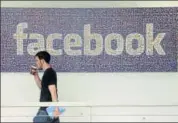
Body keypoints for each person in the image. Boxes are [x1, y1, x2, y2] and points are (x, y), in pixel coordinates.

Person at [31, 51, 60, 123]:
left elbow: (53, 92)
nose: (36, 63)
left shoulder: (49, 73)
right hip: (48, 109)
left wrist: (56, 108)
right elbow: (42, 87)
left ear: (42, 60)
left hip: (46, 110)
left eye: (37, 60)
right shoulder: (47, 73)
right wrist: (35, 75)